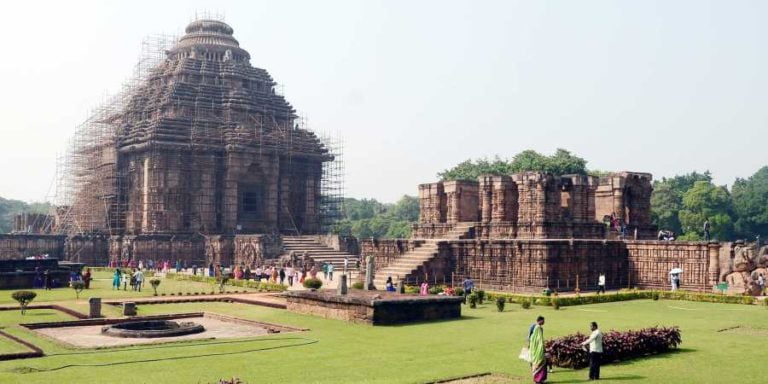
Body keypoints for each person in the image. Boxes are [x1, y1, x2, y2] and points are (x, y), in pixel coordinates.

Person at [529, 316, 548, 384]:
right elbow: (539, 340)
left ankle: (541, 379)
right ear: (539, 321)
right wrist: (542, 347)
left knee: (543, 363)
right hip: (538, 349)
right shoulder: (538, 328)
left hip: (534, 348)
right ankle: (538, 380)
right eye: (543, 321)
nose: (544, 322)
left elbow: (530, 337)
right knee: (540, 363)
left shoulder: (534, 327)